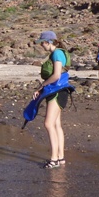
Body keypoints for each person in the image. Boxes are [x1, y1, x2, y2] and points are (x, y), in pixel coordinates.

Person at [32, 30, 71, 169]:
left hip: (57, 91)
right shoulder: (59, 52)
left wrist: (41, 86)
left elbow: (56, 75)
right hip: (61, 90)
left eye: (42, 43)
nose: (41, 46)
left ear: (48, 42)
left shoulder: (57, 53)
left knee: (48, 124)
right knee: (56, 125)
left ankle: (54, 159)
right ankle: (60, 158)